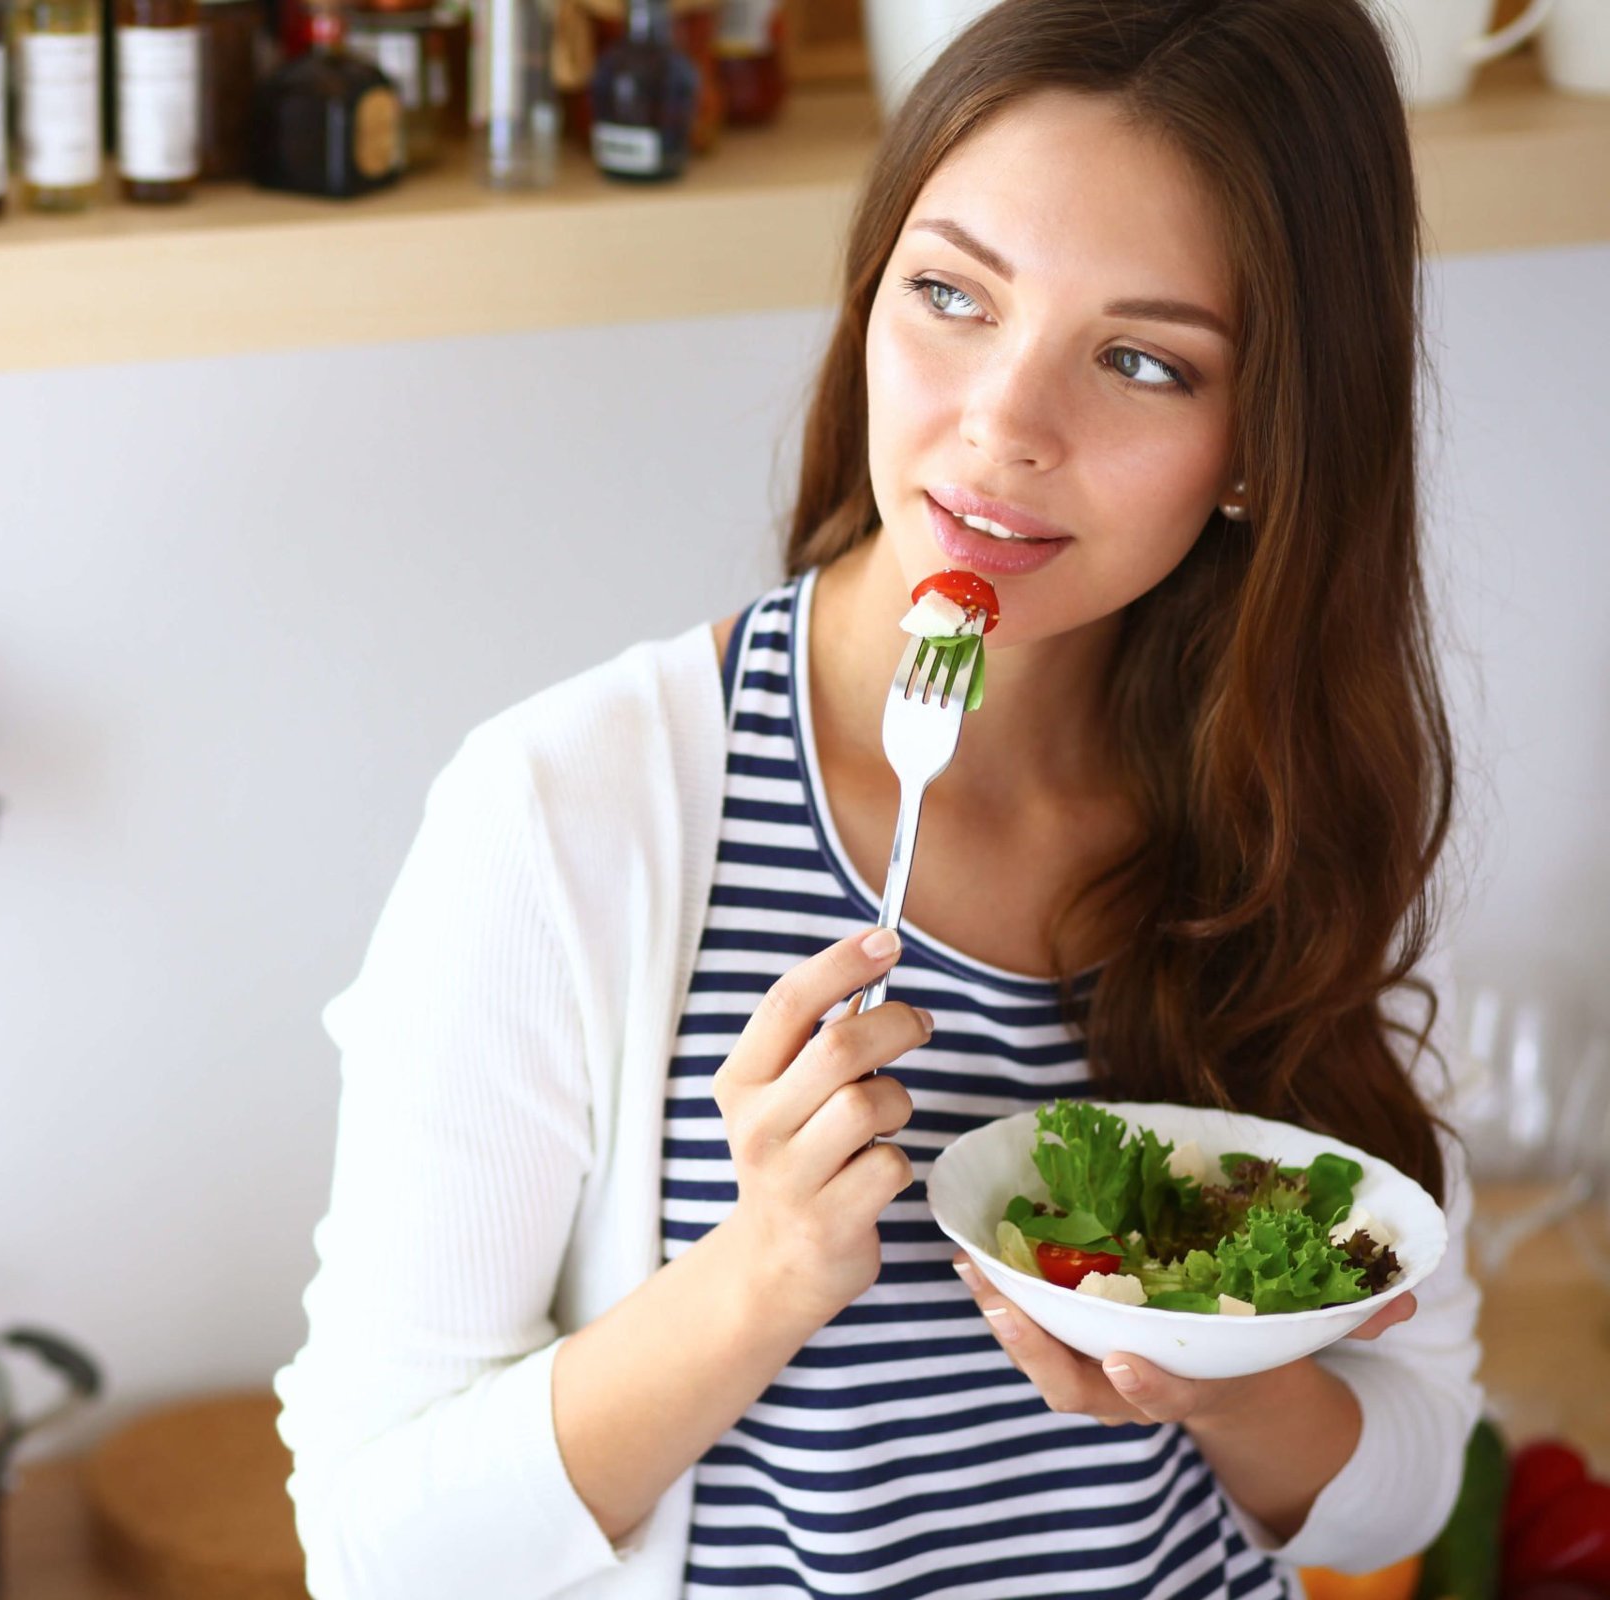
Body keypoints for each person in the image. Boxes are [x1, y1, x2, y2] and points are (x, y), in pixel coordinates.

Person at [272, 1, 1482, 1594]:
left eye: (1139, 359)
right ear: (868, 296)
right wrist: (759, 1275)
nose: (1001, 428)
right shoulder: (568, 815)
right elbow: (375, 1552)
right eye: (951, 295)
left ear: (1264, 438)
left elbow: (1407, 1488)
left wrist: (1231, 1384)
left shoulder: (1283, 804)